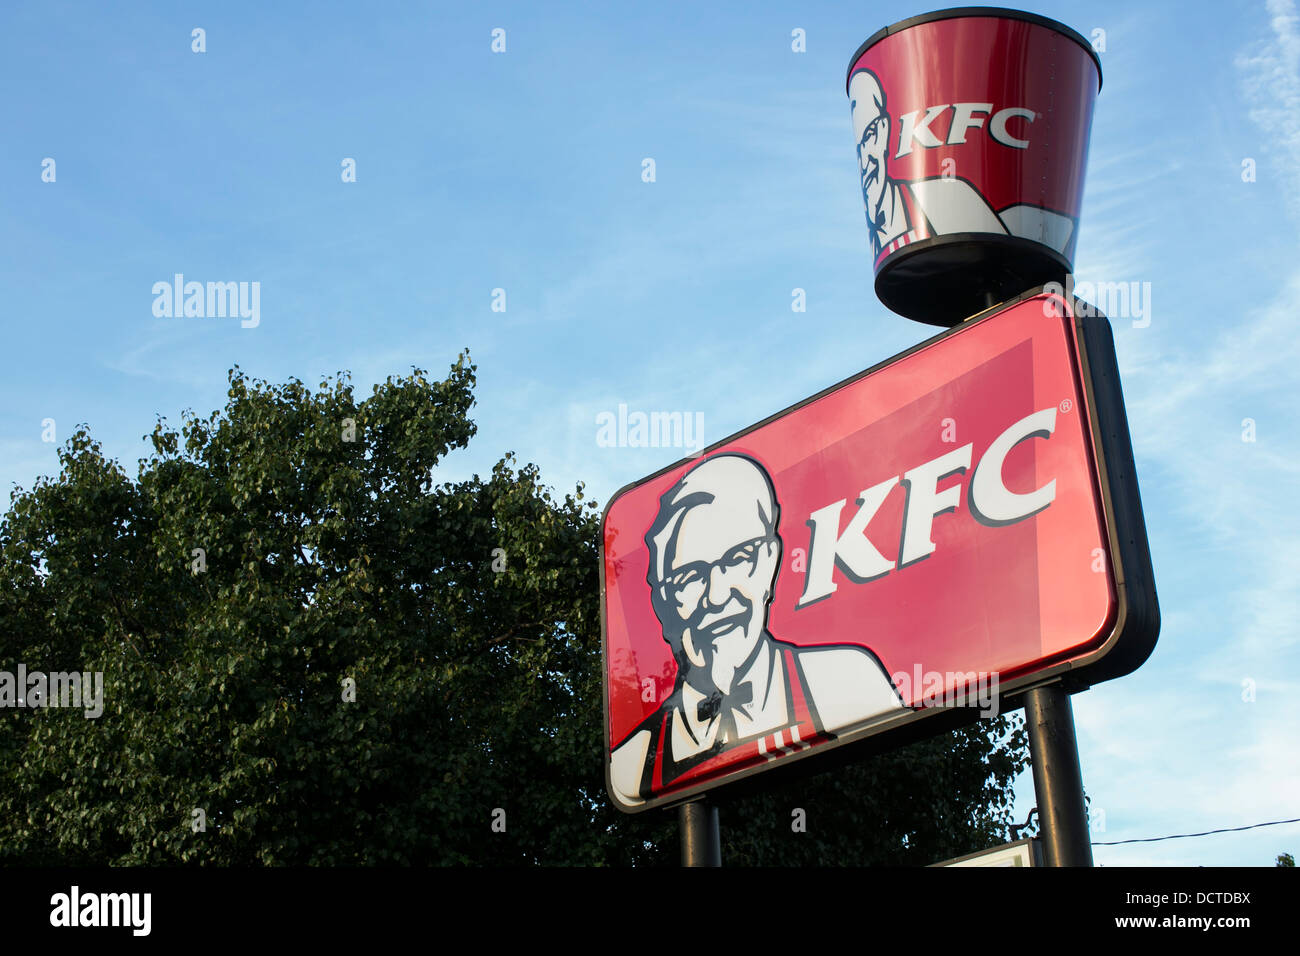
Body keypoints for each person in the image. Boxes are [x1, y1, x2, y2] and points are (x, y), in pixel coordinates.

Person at [609, 453, 904, 809]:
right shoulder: (631, 764)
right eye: (689, 577)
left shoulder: (849, 680)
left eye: (738, 559)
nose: (717, 595)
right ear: (663, 601)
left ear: (769, 562)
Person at [848, 68, 1076, 265]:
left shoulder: (944, 197)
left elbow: (1015, 253)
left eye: (870, 134)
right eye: (859, 146)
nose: (866, 158)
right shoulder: (880, 241)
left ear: (884, 130)